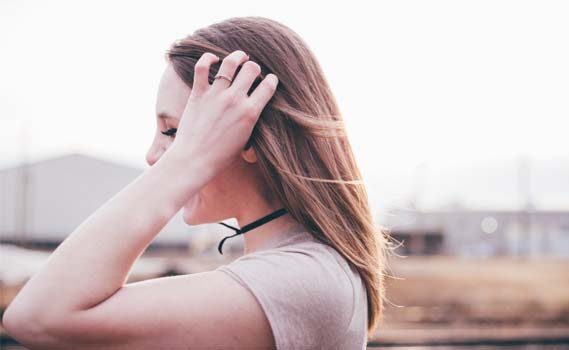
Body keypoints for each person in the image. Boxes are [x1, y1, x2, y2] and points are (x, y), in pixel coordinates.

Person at [3, 16, 392, 349]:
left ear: (250, 138)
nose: (153, 155)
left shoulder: (303, 281)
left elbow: (37, 317)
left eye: (173, 131)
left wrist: (187, 160)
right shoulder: (299, 272)